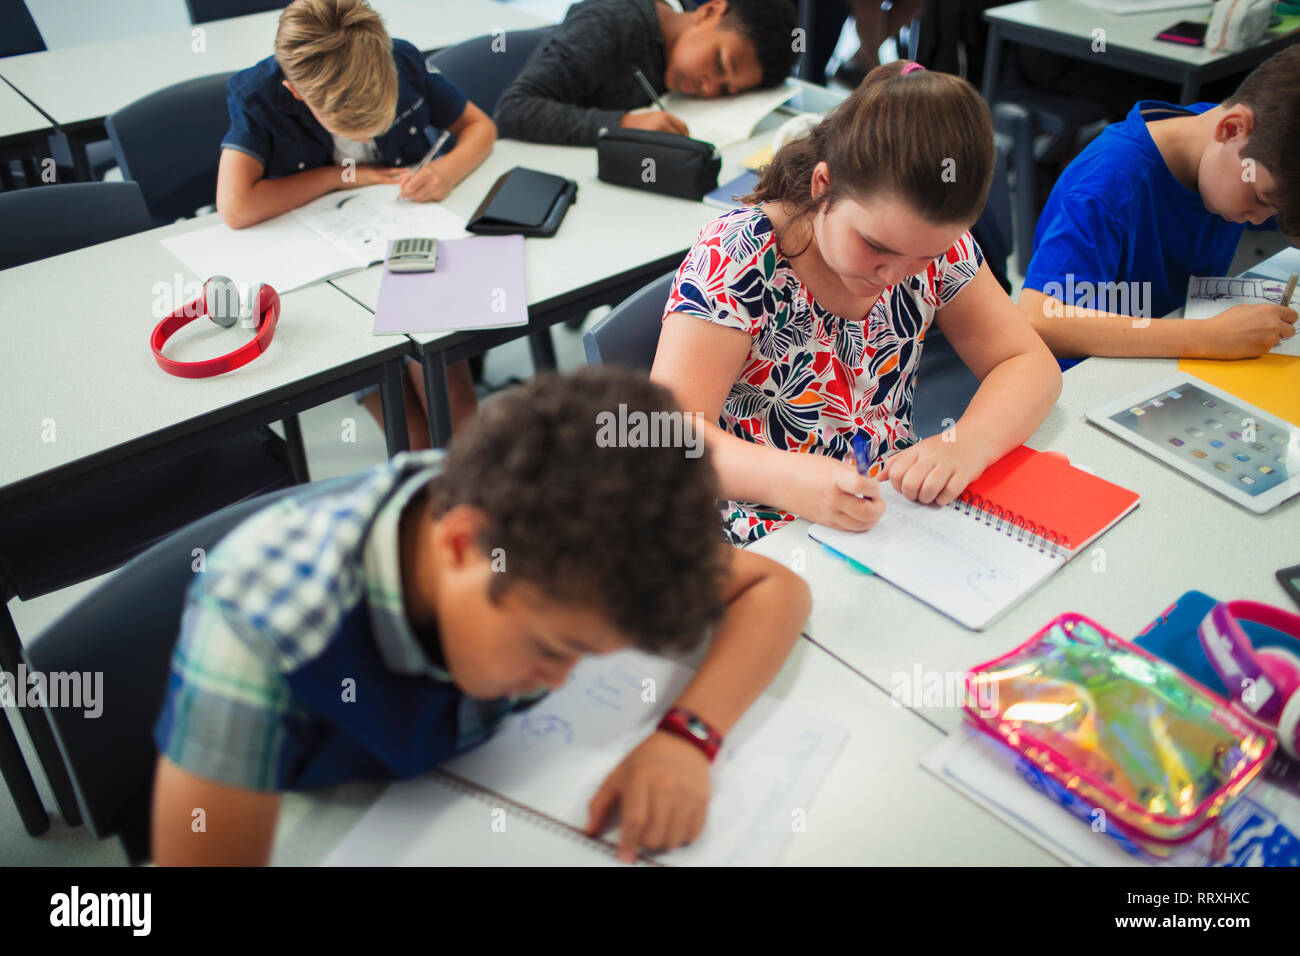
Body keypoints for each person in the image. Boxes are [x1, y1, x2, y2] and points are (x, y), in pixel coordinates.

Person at [151, 367, 811, 865]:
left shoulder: (553, 524)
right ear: (461, 544)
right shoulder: (260, 623)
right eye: (553, 646)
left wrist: (686, 736)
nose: (559, 683)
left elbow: (775, 589)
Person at [649, 62, 1061, 545]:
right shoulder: (740, 254)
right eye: (876, 247)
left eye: (923, 256)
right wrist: (790, 479)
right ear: (823, 187)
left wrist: (968, 442)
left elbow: (1028, 363)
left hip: (883, 516)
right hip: (757, 529)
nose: (892, 276)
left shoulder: (936, 249)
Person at [216, 0, 494, 442]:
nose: (366, 138)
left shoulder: (400, 57)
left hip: (408, 248)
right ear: (297, 93)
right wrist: (338, 177)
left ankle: (472, 501)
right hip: (334, 273)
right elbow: (236, 207)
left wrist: (446, 171)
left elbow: (480, 127)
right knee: (411, 434)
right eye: (353, 128)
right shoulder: (257, 95)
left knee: (457, 412)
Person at [1018, 45, 1300, 365]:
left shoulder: (1234, 147)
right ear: (1232, 129)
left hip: (1168, 353)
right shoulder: (1107, 186)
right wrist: (1207, 337)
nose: (1259, 219)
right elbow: (1039, 319)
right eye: (1259, 199)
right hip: (1087, 377)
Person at [494, 0, 798, 147]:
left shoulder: (677, 46)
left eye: (727, 89)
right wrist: (625, 124)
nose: (709, 88)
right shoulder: (612, 25)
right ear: (709, 11)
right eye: (720, 64)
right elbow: (513, 110)